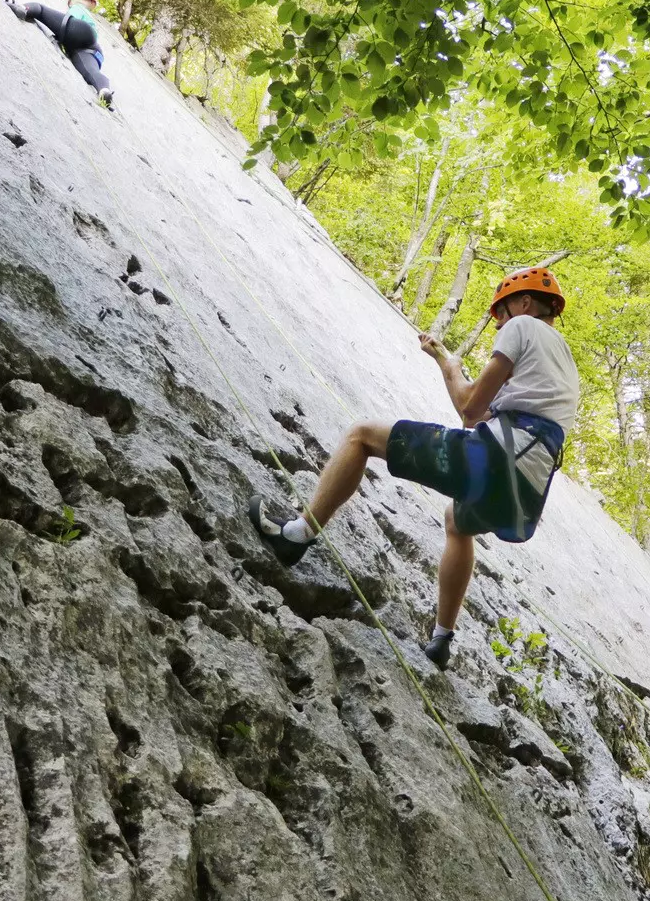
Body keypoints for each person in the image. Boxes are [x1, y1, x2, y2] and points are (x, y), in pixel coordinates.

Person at [248, 266, 580, 668]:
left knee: (362, 436)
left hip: (496, 457)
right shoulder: (564, 364)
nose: (499, 325)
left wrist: (449, 366)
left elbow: (470, 409)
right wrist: (445, 359)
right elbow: (494, 416)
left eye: (502, 313)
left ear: (524, 303)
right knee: (457, 523)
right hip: (527, 487)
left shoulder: (522, 327)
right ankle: (442, 640)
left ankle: (296, 535)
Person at [9, 0, 114, 107]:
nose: (76, 2)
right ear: (92, 3)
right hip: (91, 48)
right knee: (90, 72)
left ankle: (22, 8)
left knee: (41, 10)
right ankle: (104, 90)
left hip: (78, 31)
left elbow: (71, 21)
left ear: (70, 0)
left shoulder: (77, 8)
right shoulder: (90, 18)